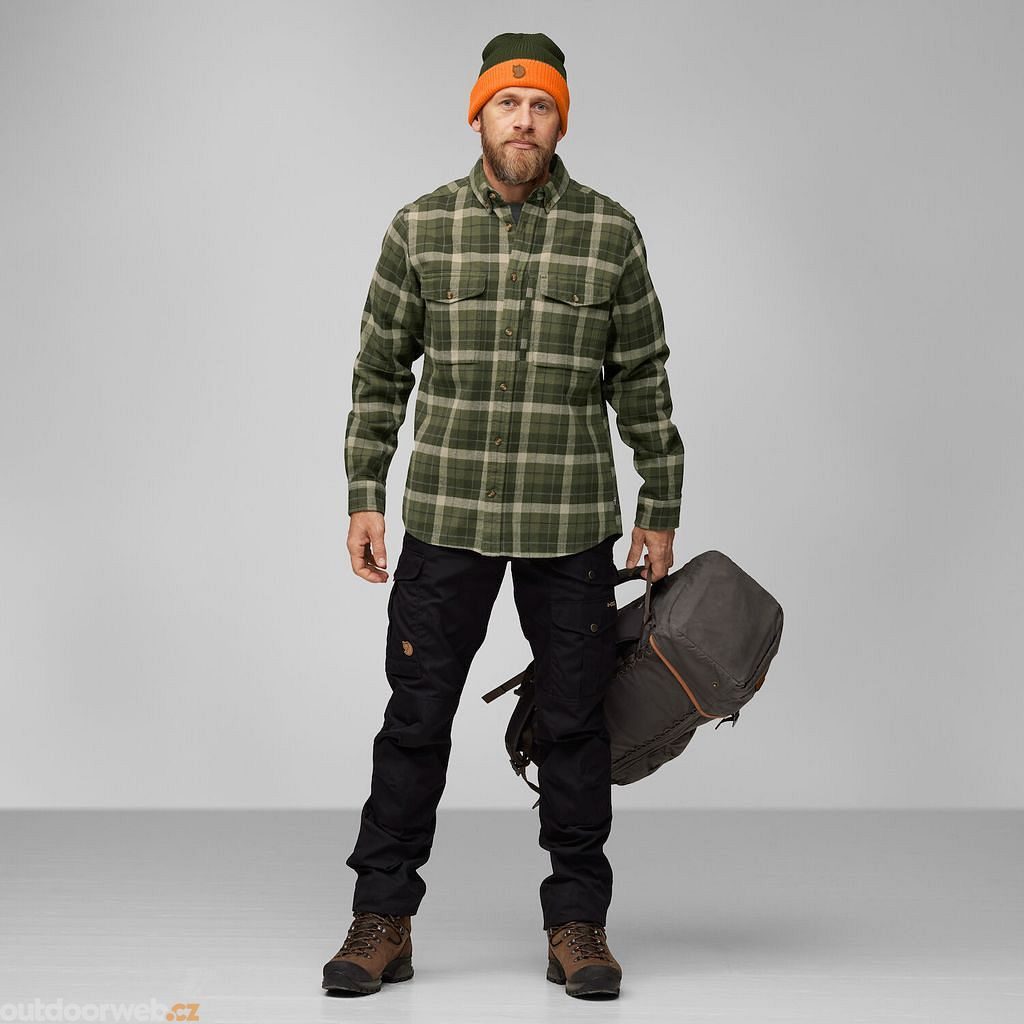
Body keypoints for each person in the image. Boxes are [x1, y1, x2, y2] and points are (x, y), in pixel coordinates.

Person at [322, 32, 684, 999]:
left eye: (542, 106)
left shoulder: (610, 233)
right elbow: (378, 371)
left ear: (561, 122)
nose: (523, 121)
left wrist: (660, 504)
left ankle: (578, 925)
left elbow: (642, 377)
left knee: (575, 726)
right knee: (415, 720)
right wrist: (364, 493)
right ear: (478, 114)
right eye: (507, 104)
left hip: (570, 523)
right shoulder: (420, 228)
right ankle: (383, 918)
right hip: (448, 519)